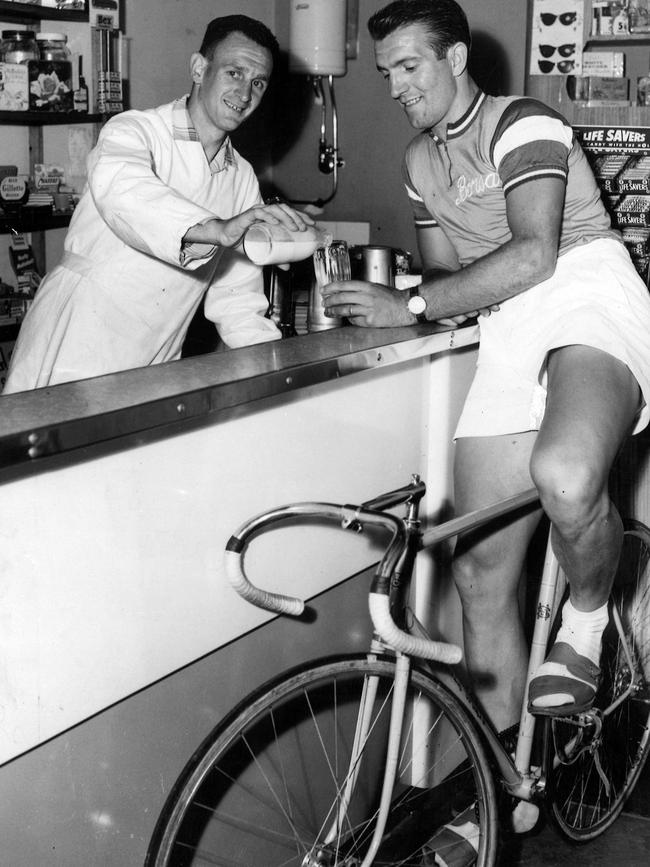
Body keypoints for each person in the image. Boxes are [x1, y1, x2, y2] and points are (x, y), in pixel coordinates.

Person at [323, 0, 650, 740]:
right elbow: (449, 275)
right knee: (478, 574)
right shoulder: (417, 161)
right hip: (509, 319)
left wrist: (408, 302)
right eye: (387, 73)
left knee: (566, 476)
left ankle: (589, 620)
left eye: (411, 67)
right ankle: (499, 789)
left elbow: (534, 253)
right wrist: (403, 296)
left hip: (582, 288)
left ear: (457, 60)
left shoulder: (523, 120)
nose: (397, 86)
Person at [3, 15, 314, 393]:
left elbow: (237, 298)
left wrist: (277, 372)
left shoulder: (242, 177)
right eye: (234, 73)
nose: (245, 94)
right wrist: (217, 229)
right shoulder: (135, 131)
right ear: (199, 68)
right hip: (77, 337)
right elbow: (124, 190)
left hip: (158, 352)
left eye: (258, 82)